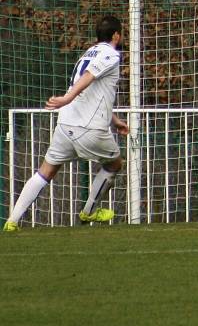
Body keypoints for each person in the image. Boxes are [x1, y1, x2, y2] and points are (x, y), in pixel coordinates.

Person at [3, 15, 129, 232]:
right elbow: (88, 78)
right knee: (115, 164)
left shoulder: (87, 53)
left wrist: (115, 121)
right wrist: (67, 98)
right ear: (116, 35)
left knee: (45, 172)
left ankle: (12, 221)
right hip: (89, 128)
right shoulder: (110, 54)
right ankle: (89, 210)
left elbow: (94, 93)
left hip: (65, 124)